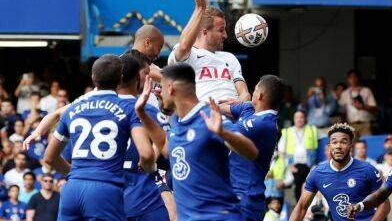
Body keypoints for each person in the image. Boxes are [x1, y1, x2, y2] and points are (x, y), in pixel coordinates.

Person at [135, 63, 258, 220]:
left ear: (170, 88)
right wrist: (142, 113)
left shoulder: (207, 116)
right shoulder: (180, 120)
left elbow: (252, 152)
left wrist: (224, 133)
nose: (159, 92)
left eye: (162, 87)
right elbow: (167, 148)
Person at [43, 54, 155, 220]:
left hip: (71, 190)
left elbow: (49, 158)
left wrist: (75, 174)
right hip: (105, 191)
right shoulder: (128, 108)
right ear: (120, 79)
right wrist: (148, 168)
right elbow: (146, 154)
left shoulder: (72, 109)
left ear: (93, 77)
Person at [289, 123, 390, 221]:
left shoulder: (367, 170)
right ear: (329, 146)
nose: (338, 146)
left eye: (343, 142)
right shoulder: (317, 173)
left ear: (351, 145)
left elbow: (384, 204)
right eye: (334, 142)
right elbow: (301, 206)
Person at [218, 75, 284, 221]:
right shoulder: (249, 109)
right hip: (232, 194)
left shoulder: (266, 124)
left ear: (259, 95)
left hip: (246, 199)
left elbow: (225, 129)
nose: (252, 93)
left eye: (254, 90)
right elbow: (219, 107)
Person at [119, 53, 171, 221]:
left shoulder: (91, 109)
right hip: (143, 199)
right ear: (136, 76)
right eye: (146, 73)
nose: (149, 77)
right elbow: (169, 152)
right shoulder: (148, 112)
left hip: (107, 201)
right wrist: (172, 110)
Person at [168, 0, 250, 102]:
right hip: (203, 113)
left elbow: (244, 93)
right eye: (221, 30)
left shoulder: (230, 58)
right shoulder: (188, 55)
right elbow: (183, 46)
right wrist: (199, 9)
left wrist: (240, 102)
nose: (225, 35)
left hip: (234, 111)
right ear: (205, 32)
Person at [278, 109, 318, 200]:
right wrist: (288, 165)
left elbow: (318, 149)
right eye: (297, 117)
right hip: (294, 165)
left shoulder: (312, 130)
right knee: (297, 189)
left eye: (301, 117)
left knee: (309, 189)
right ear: (294, 119)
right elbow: (280, 151)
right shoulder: (288, 132)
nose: (299, 119)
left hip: (308, 164)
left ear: (305, 119)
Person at [339, 70, 377, 138]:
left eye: (355, 77)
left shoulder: (366, 90)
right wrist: (343, 127)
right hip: (351, 124)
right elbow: (342, 112)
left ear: (358, 78)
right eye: (351, 78)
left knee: (366, 144)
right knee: (352, 146)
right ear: (348, 79)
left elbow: (374, 108)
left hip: (365, 124)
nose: (353, 79)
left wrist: (362, 106)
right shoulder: (344, 93)